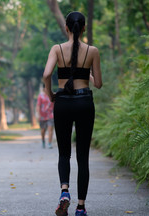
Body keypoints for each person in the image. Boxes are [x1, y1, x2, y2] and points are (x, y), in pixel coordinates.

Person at [42, 12, 102, 216]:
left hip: (63, 103)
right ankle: (81, 207)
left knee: (64, 153)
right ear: (83, 28)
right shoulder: (92, 51)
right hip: (84, 102)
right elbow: (99, 84)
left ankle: (64, 192)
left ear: (66, 28)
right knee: (83, 157)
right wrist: (89, 75)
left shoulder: (56, 49)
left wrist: (50, 94)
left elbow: (47, 74)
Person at [36, 84, 54, 149]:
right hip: (42, 115)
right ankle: (43, 141)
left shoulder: (52, 95)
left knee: (50, 129)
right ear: (44, 89)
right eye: (46, 88)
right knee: (43, 130)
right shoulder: (40, 96)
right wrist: (38, 115)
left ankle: (49, 143)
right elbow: (38, 106)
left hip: (51, 115)